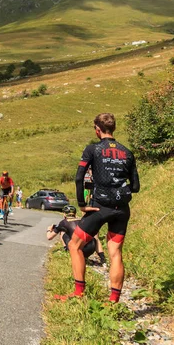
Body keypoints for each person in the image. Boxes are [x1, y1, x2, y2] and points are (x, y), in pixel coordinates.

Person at [58, 113, 140, 303]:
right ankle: (113, 301)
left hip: (99, 207)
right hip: (121, 209)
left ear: (97, 129)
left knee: (74, 245)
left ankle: (78, 293)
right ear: (114, 128)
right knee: (116, 252)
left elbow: (79, 177)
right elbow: (135, 187)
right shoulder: (127, 152)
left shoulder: (92, 149)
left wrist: (81, 205)